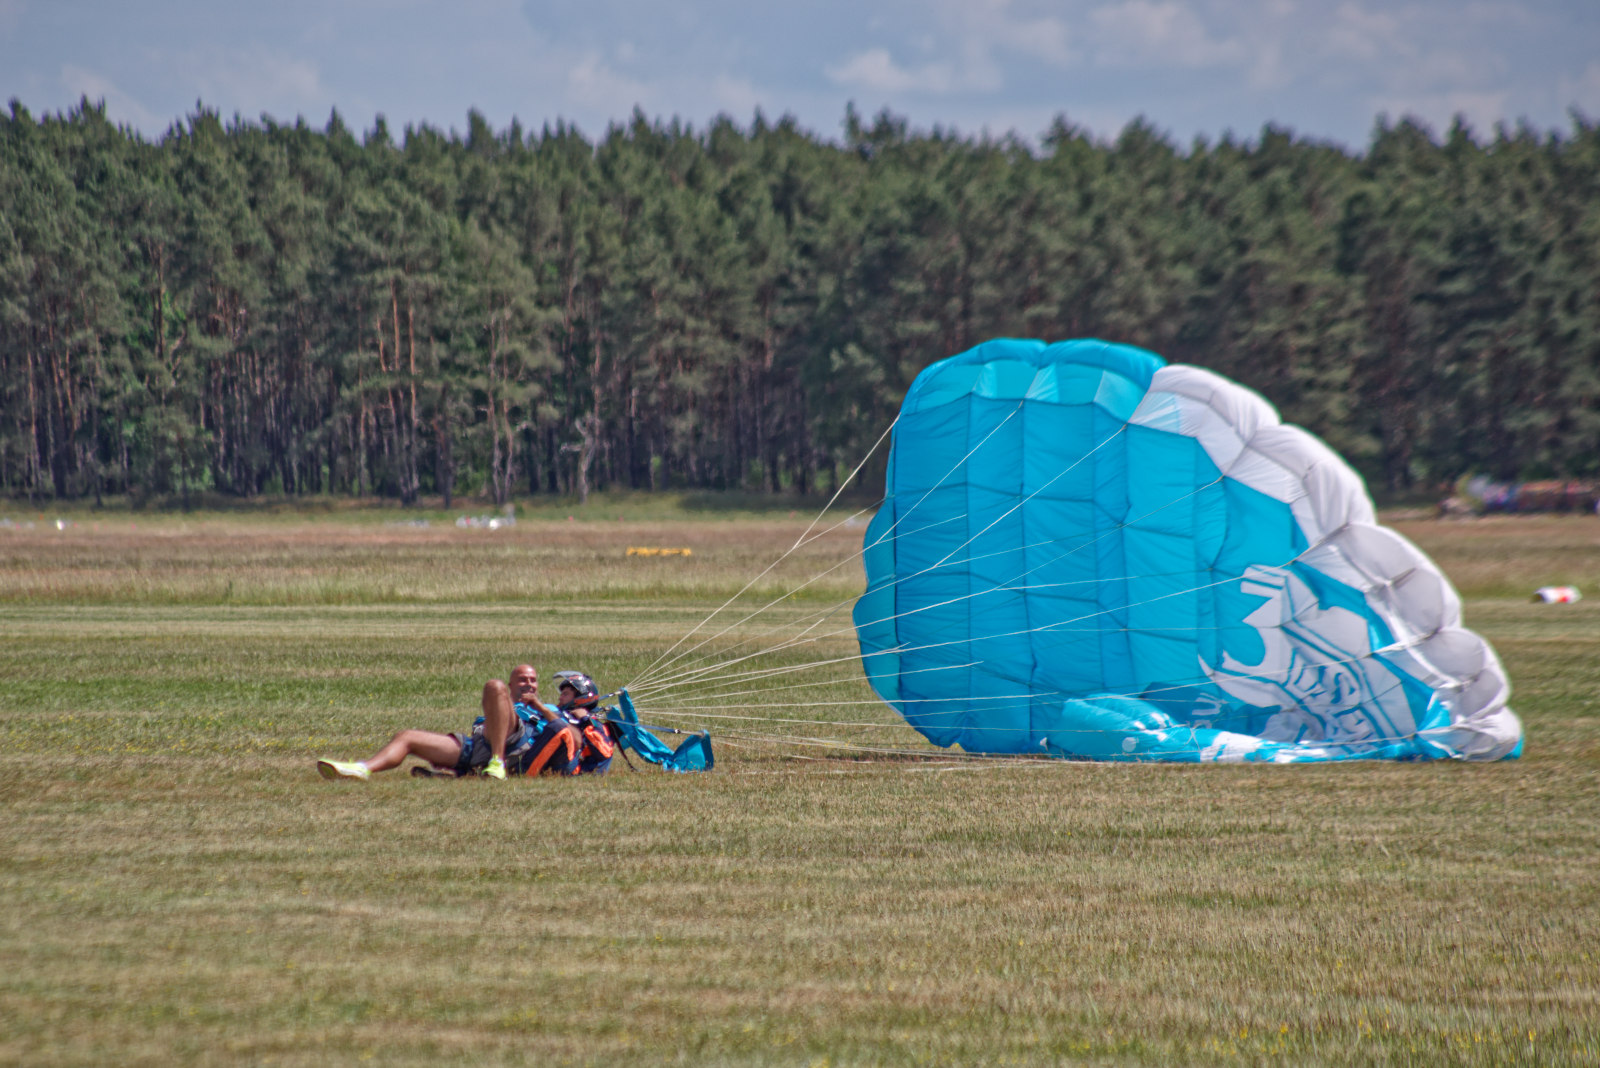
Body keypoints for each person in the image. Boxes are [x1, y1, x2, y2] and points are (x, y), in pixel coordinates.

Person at [316, 664, 581, 781]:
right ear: (512, 685)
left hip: (519, 746)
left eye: (533, 680)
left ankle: (497, 763)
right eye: (522, 680)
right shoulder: (500, 698)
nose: (529, 684)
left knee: (493, 685)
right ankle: (362, 768)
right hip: (479, 745)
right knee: (407, 736)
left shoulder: (549, 708)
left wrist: (540, 708)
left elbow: (574, 738)